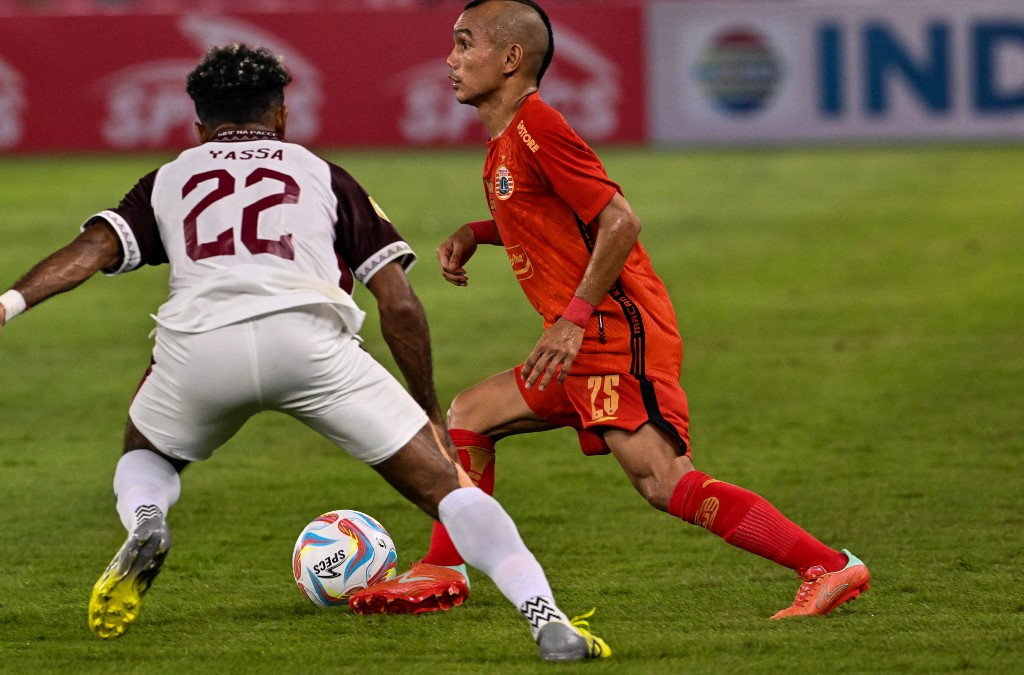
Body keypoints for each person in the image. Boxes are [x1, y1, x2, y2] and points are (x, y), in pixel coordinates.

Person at [0, 43, 609, 662]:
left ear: (198, 126)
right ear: (284, 116)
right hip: (313, 348)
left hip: (200, 351)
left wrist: (9, 303)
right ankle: (546, 617)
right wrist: (426, 409)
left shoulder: (171, 176)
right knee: (449, 492)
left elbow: (91, 250)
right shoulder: (321, 173)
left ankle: (147, 520)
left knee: (146, 454)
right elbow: (397, 302)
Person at [348, 0, 870, 620]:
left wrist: (572, 318)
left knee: (664, 482)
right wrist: (475, 232)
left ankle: (829, 568)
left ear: (511, 58)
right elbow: (551, 221)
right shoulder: (507, 139)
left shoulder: (538, 126)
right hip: (575, 338)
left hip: (612, 334)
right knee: (471, 415)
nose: (451, 59)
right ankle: (443, 569)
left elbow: (619, 221)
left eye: (465, 44)